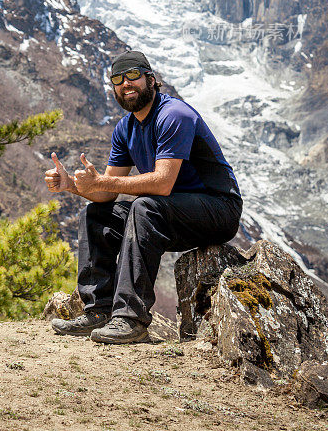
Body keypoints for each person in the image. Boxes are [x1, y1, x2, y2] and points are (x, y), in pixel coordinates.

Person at [45, 50, 242, 344]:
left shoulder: (174, 115)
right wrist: (71, 185)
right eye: (118, 79)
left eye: (133, 76)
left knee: (144, 206)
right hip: (173, 212)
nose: (126, 84)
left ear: (151, 80)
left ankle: (130, 319)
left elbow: (162, 183)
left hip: (219, 209)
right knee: (96, 213)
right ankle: (98, 310)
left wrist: (102, 181)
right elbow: (106, 191)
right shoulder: (125, 129)